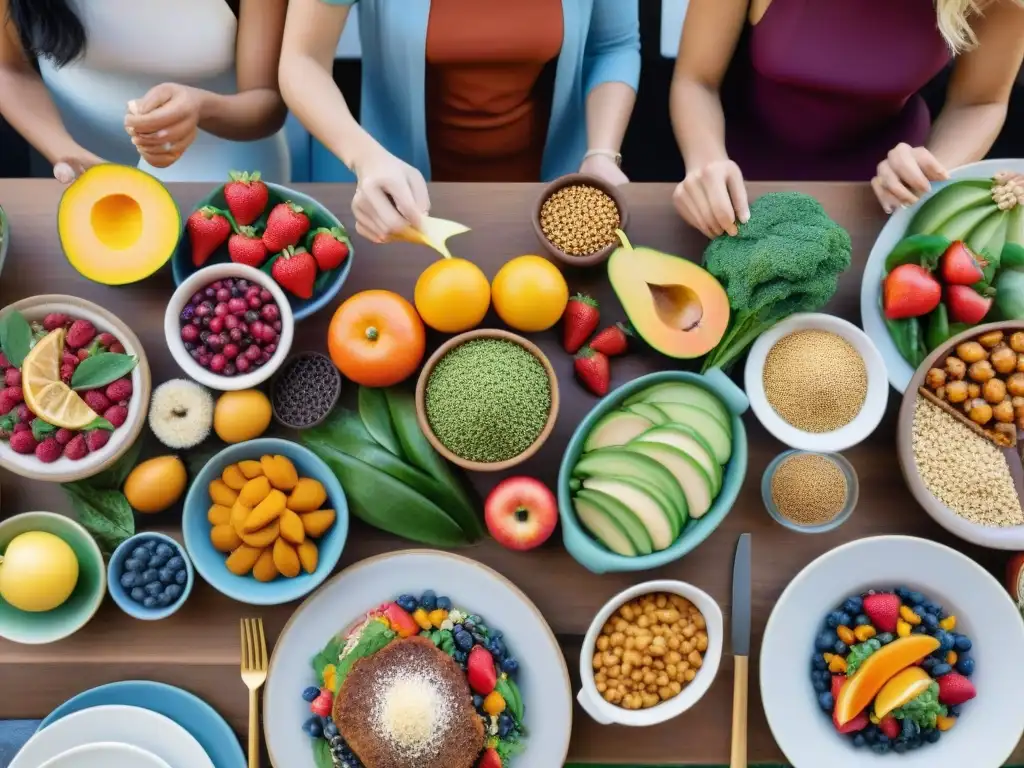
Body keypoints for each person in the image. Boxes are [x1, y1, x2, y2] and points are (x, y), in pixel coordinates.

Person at [278, 0, 640, 243]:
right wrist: (365, 157)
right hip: (399, 194)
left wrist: (602, 153)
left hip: (551, 187)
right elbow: (302, 60)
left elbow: (613, 45)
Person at [670, 0, 1024, 237]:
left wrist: (934, 169)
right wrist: (705, 159)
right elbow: (696, 80)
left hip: (885, 194)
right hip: (735, 173)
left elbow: (980, 102)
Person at [0, 0, 291, 183]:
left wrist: (201, 107)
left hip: (226, 171)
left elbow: (267, 99)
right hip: (70, 164)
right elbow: (7, 68)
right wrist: (65, 153)